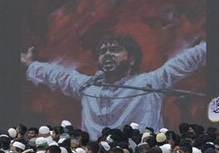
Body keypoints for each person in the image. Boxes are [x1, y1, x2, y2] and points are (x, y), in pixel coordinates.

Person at [21, 33, 206, 138]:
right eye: (103, 52)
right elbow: (59, 76)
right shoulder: (89, 87)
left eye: (115, 50)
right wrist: (31, 65)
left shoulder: (149, 83)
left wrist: (209, 46)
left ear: (132, 59)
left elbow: (185, 61)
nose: (107, 54)